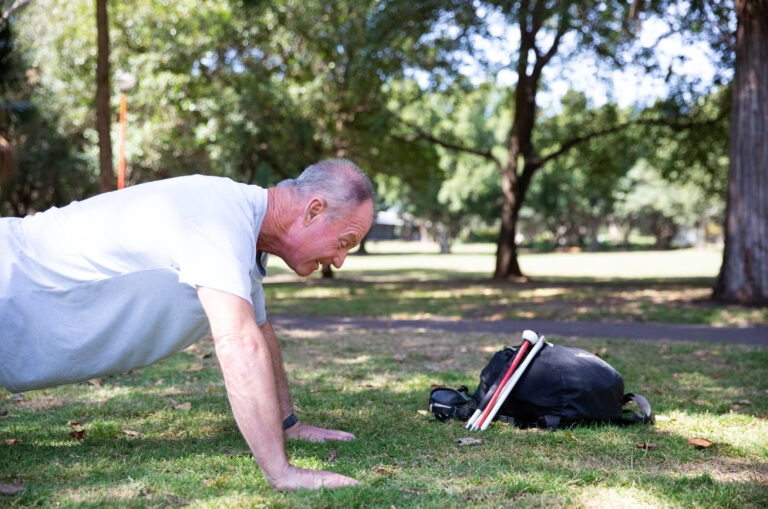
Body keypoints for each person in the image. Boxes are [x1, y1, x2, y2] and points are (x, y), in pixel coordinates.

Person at [0, 158, 374, 490]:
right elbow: (237, 341)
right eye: (345, 242)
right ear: (313, 211)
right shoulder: (219, 216)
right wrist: (282, 473)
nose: (339, 261)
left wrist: (288, 423)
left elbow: (258, 329)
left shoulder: (246, 233)